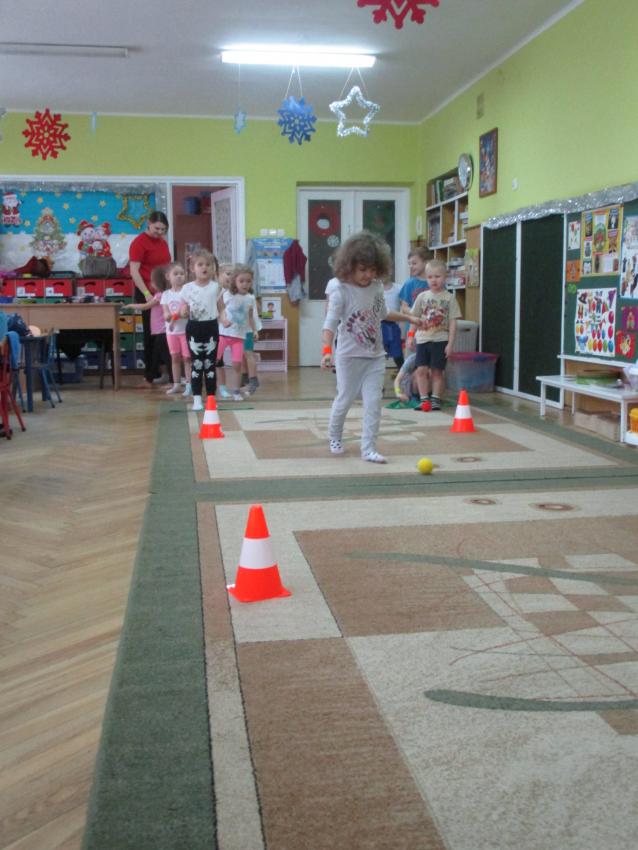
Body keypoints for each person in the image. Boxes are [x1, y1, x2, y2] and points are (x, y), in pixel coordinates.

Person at [321, 230, 423, 464]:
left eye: (372, 270)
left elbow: (383, 313)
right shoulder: (340, 290)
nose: (368, 275)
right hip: (348, 357)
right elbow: (330, 323)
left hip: (375, 356)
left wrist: (409, 318)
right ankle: (334, 436)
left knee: (374, 404)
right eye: (362, 270)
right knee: (344, 400)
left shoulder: (376, 287)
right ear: (349, 266)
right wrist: (326, 352)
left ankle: (368, 449)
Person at [410, 258, 461, 411]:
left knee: (437, 372)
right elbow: (414, 318)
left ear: (445, 277)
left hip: (440, 340)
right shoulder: (422, 297)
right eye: (430, 277)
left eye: (437, 276)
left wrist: (450, 344)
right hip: (423, 340)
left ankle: (436, 399)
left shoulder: (450, 298)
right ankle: (424, 399)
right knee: (421, 370)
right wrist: (411, 336)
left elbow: (453, 322)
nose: (433, 280)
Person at [128, 211, 171, 387]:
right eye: (156, 228)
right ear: (149, 224)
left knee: (165, 333)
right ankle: (150, 375)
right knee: (151, 334)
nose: (159, 232)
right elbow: (134, 272)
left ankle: (167, 372)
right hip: (147, 291)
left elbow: (166, 267)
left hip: (163, 292)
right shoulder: (139, 243)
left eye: (163, 229)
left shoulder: (163, 242)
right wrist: (146, 293)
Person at [180, 249, 223, 412]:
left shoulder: (216, 287)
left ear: (213, 268)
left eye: (208, 264)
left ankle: (211, 397)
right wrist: (184, 311)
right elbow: (184, 306)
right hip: (194, 327)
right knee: (197, 363)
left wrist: (225, 319)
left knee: (210, 364)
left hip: (211, 327)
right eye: (200, 264)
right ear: (193, 268)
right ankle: (197, 398)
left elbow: (221, 307)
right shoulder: (187, 288)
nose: (204, 267)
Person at [217, 264, 258, 401]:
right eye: (241, 281)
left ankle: (236, 391)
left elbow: (250, 317)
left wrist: (254, 330)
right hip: (224, 334)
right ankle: (215, 386)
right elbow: (220, 308)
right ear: (235, 281)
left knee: (237, 364)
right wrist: (223, 320)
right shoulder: (227, 294)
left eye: (248, 281)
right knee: (215, 360)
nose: (245, 284)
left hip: (239, 337)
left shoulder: (250, 298)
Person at [159, 262, 192, 398]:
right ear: (168, 276)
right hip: (171, 332)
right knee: (174, 357)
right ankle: (176, 383)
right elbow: (165, 311)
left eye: (182, 274)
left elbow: (186, 312)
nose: (179, 276)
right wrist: (168, 316)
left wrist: (175, 317)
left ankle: (189, 384)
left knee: (187, 358)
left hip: (185, 331)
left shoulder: (187, 293)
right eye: (175, 274)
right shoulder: (166, 294)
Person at [381, 270, 404, 370]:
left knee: (397, 354)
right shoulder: (375, 289)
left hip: (393, 325)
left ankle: (404, 374)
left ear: (390, 271)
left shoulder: (399, 288)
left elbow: (405, 305)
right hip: (378, 326)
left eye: (384, 271)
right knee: (379, 355)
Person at [398, 246, 430, 314]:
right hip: (414, 319)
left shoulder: (435, 282)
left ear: (426, 262)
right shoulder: (409, 284)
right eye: (409, 264)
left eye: (414, 263)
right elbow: (404, 307)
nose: (411, 266)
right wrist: (417, 314)